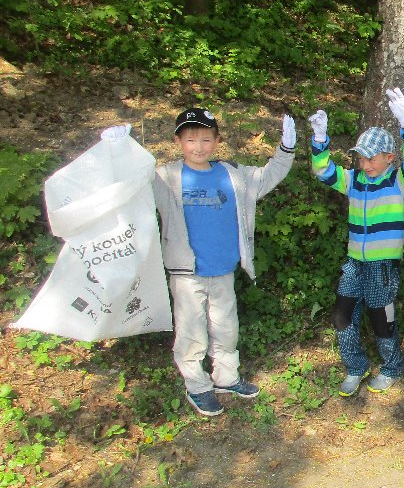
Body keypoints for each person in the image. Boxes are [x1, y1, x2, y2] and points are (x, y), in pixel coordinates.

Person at [103, 109, 296, 417]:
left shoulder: (232, 174)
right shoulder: (165, 177)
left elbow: (269, 175)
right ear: (178, 141)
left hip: (223, 269)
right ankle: (197, 385)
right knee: (192, 331)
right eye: (190, 139)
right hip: (186, 274)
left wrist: (286, 148)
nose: (198, 146)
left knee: (226, 328)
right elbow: (131, 185)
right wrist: (118, 152)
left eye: (206, 139)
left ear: (217, 141)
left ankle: (226, 377)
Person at [308, 88, 404, 396]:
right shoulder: (354, 181)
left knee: (381, 319)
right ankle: (355, 367)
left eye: (371, 158)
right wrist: (320, 139)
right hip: (354, 264)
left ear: (389, 158)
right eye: (361, 158)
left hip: (382, 267)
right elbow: (322, 169)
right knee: (342, 316)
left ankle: (392, 367)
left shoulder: (398, 182)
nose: (365, 164)